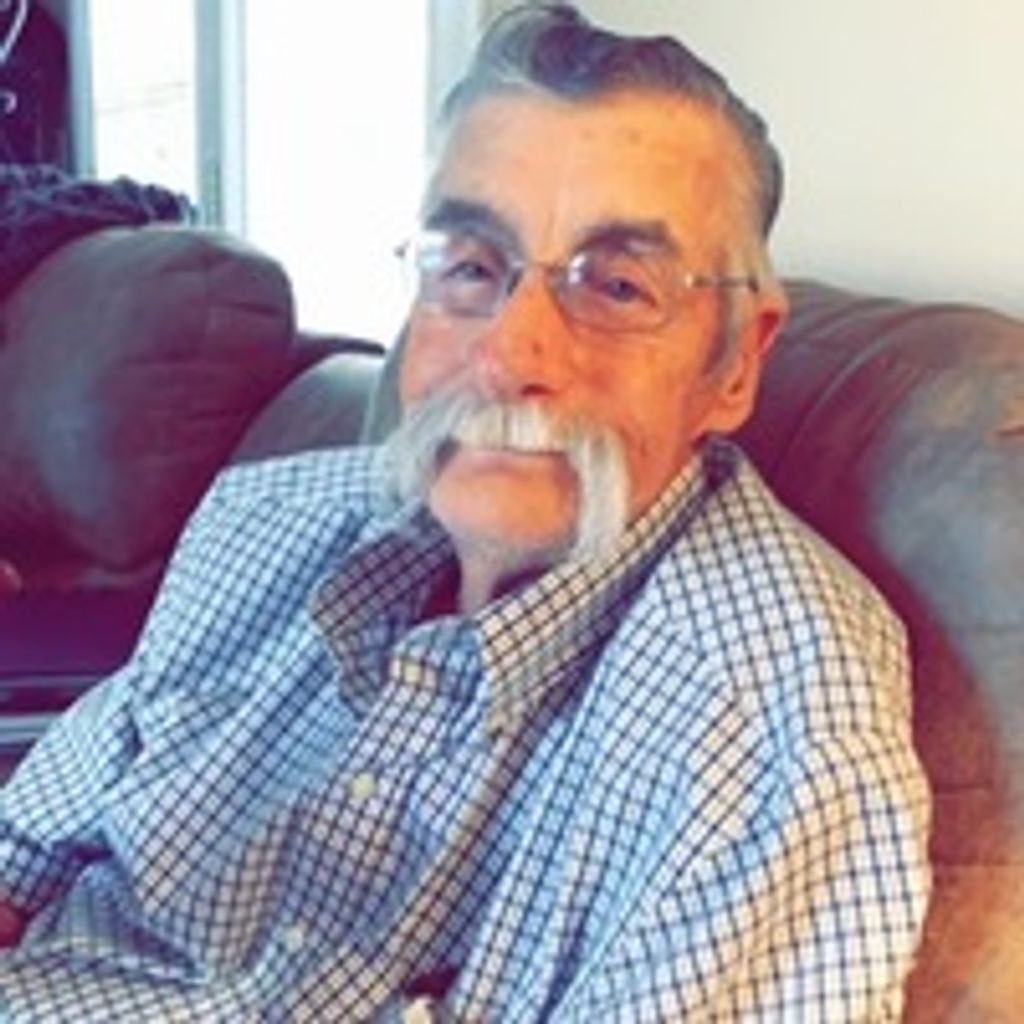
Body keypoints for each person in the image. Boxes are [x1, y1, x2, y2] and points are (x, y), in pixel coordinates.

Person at [0, 4, 930, 1020]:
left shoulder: (774, 719)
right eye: (474, 268)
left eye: (619, 286)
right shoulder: (268, 520)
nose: (508, 354)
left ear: (737, 361)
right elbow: (26, 850)